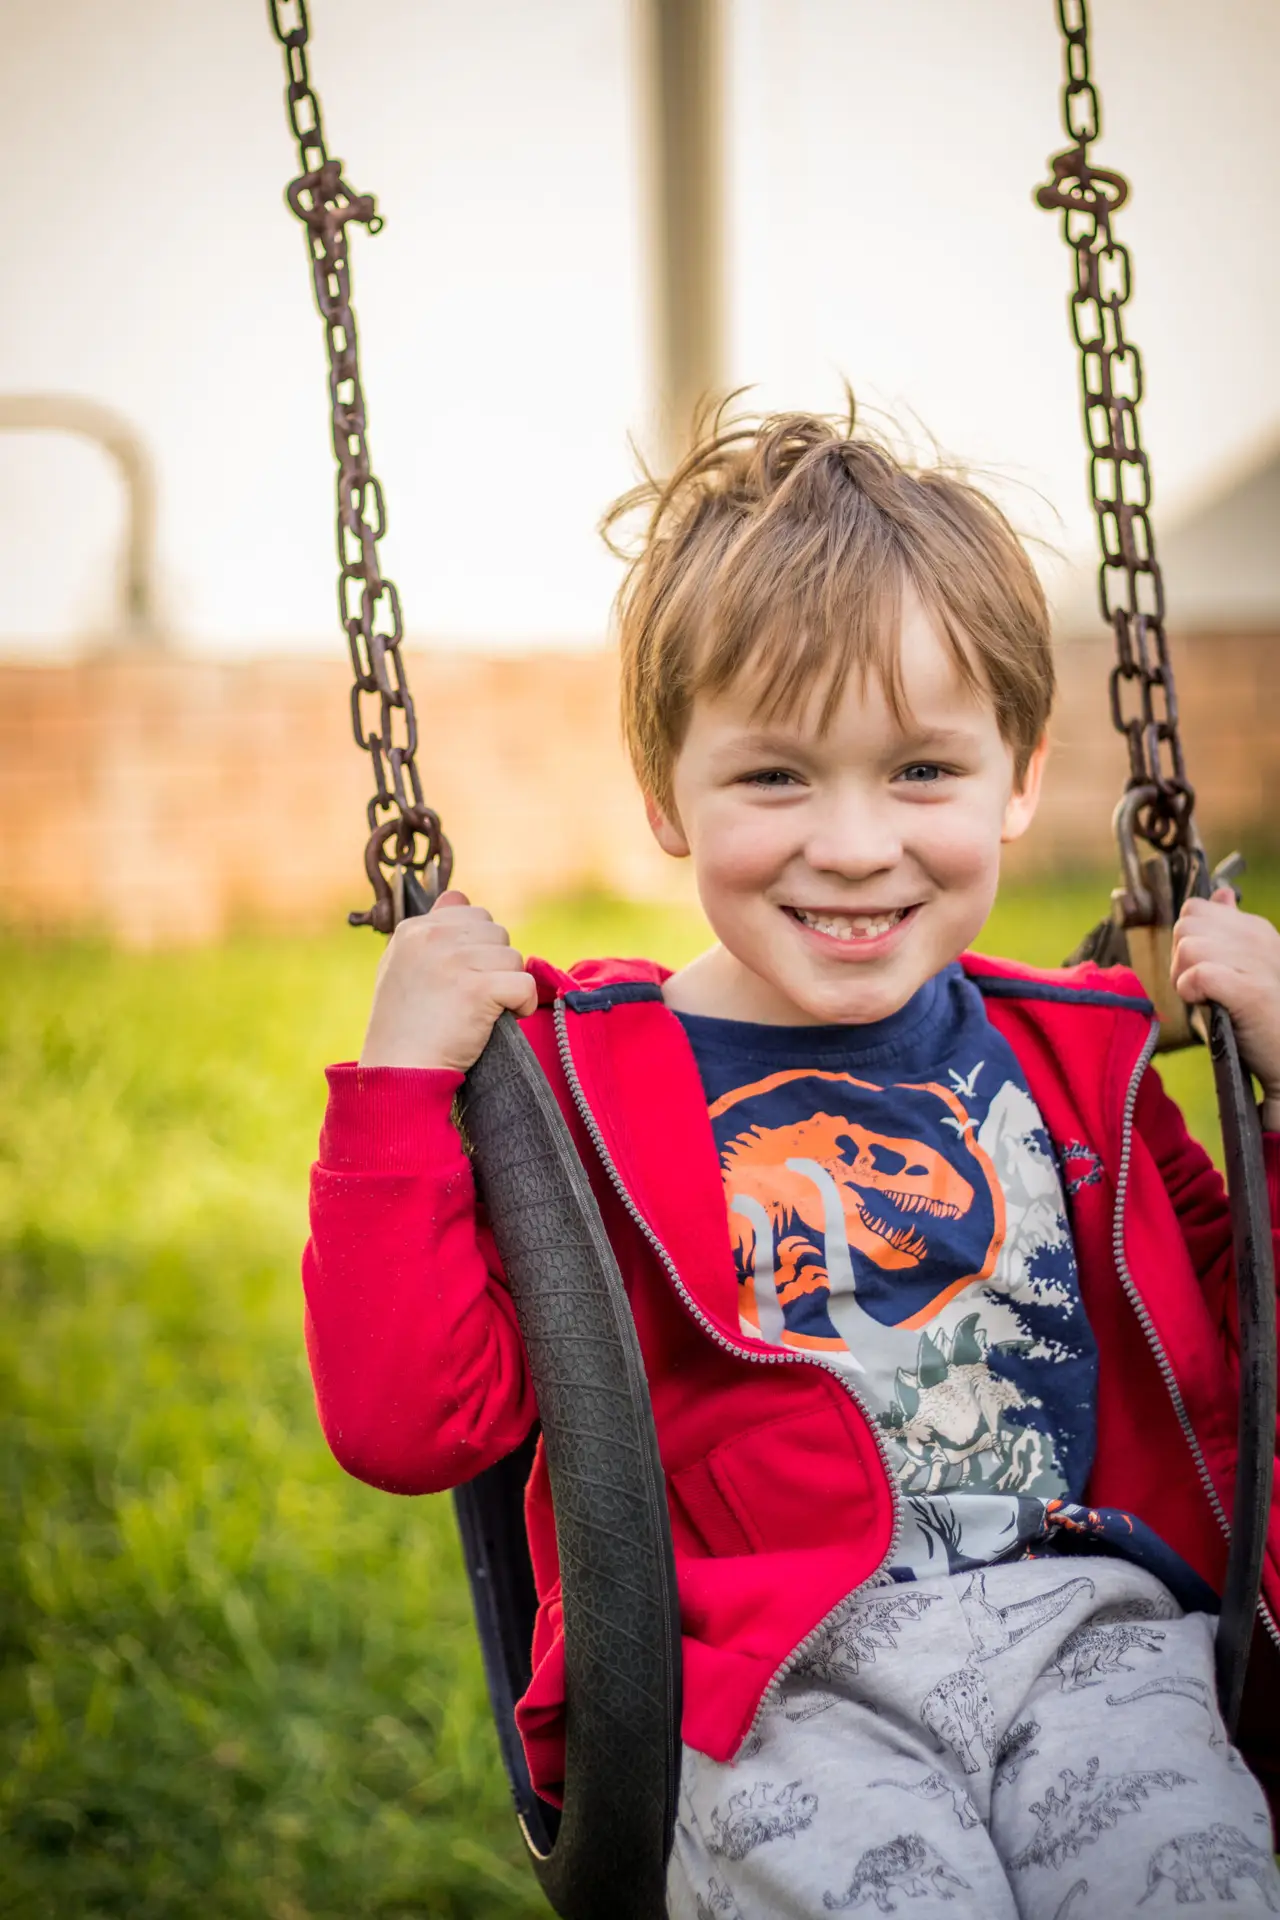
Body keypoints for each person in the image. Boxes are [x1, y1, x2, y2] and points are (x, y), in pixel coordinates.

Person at [302, 403, 1280, 1918]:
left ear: (1020, 781)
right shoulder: (588, 1093)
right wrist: (403, 1083)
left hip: (1103, 1642)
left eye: (921, 774)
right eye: (773, 780)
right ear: (662, 796)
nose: (850, 843)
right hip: (770, 1691)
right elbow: (406, 1420)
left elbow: (1252, 1338)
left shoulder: (1080, 1064)